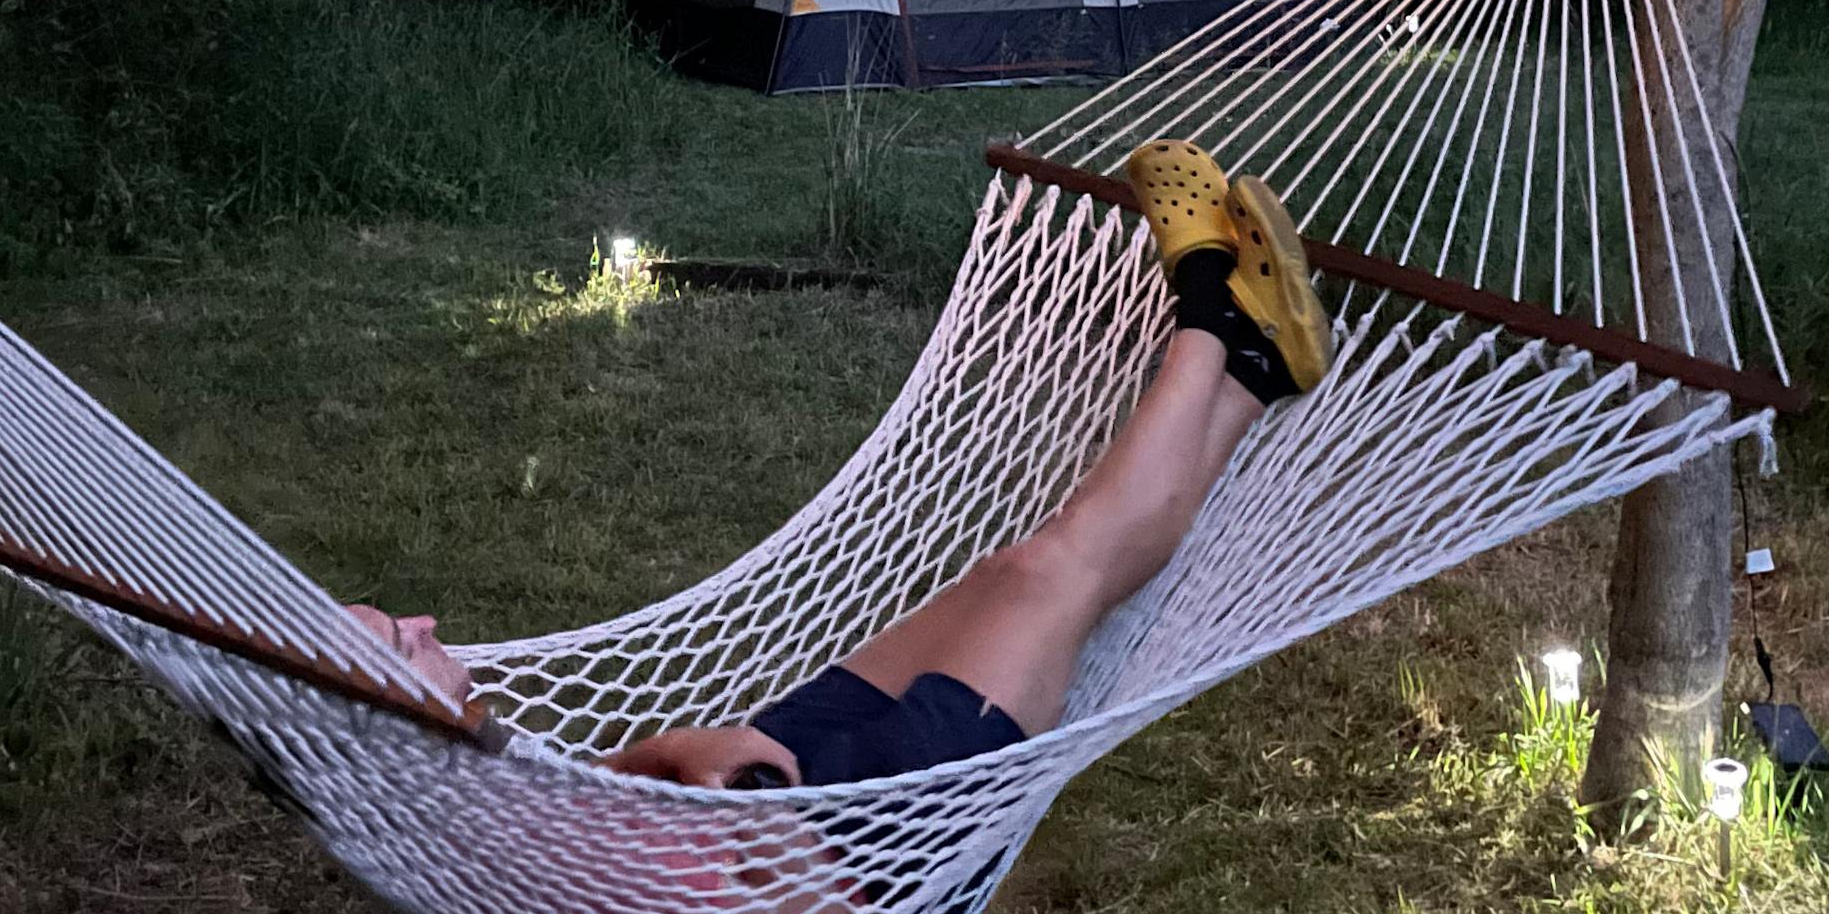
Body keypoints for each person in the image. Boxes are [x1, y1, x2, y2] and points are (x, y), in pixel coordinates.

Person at [346, 141, 1331, 789]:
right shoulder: (483, 833)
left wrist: (671, 760)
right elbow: (752, 818)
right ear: (378, 725)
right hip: (855, 844)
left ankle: (1252, 372)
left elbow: (626, 788)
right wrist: (702, 759)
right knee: (1051, 574)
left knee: (1009, 575)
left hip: (786, 796)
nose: (426, 621)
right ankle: (1208, 309)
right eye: (398, 643)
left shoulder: (468, 794)